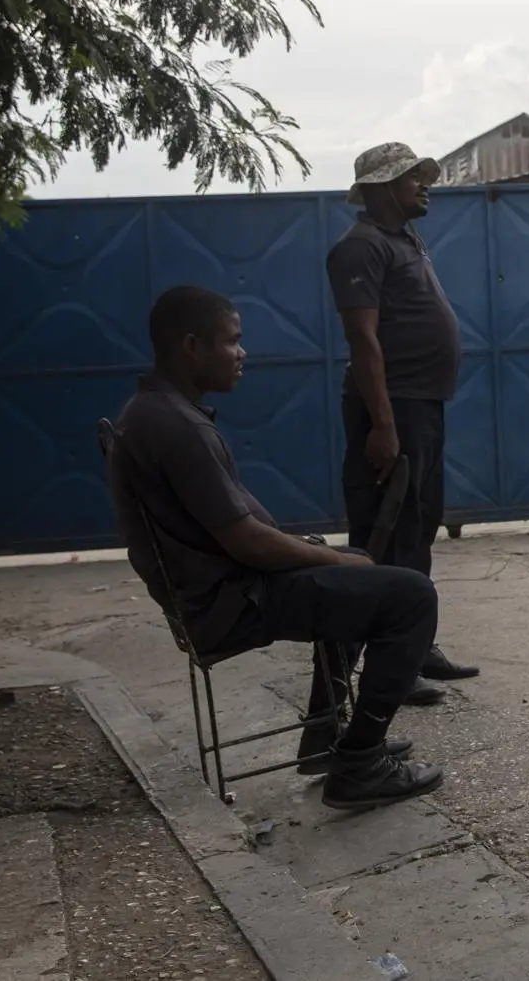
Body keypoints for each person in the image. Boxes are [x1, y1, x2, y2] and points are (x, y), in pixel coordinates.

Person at [110, 286, 445, 810]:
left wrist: (333, 557)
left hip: (225, 592)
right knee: (411, 595)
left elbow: (240, 532)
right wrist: (330, 557)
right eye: (232, 341)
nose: (242, 354)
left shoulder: (156, 411)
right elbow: (247, 541)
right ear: (192, 346)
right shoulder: (174, 425)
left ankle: (324, 738)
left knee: (360, 571)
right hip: (235, 601)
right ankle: (361, 761)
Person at [328, 142, 478, 703]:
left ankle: (414, 646)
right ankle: (381, 670)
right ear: (383, 186)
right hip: (393, 407)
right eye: (412, 177)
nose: (424, 184)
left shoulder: (404, 239)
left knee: (417, 528)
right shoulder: (360, 248)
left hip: (422, 404)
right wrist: (384, 425)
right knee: (385, 537)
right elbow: (363, 341)